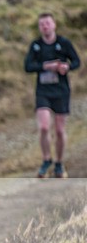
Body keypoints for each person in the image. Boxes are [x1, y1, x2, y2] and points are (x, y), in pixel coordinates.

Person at [24, 12, 80, 178]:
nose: (45, 27)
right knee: (43, 126)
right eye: (42, 24)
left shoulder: (64, 43)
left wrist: (66, 67)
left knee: (60, 130)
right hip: (43, 91)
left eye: (47, 23)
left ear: (54, 25)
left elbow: (76, 62)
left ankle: (59, 163)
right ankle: (46, 159)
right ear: (39, 27)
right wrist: (45, 66)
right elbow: (28, 66)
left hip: (61, 90)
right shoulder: (36, 45)